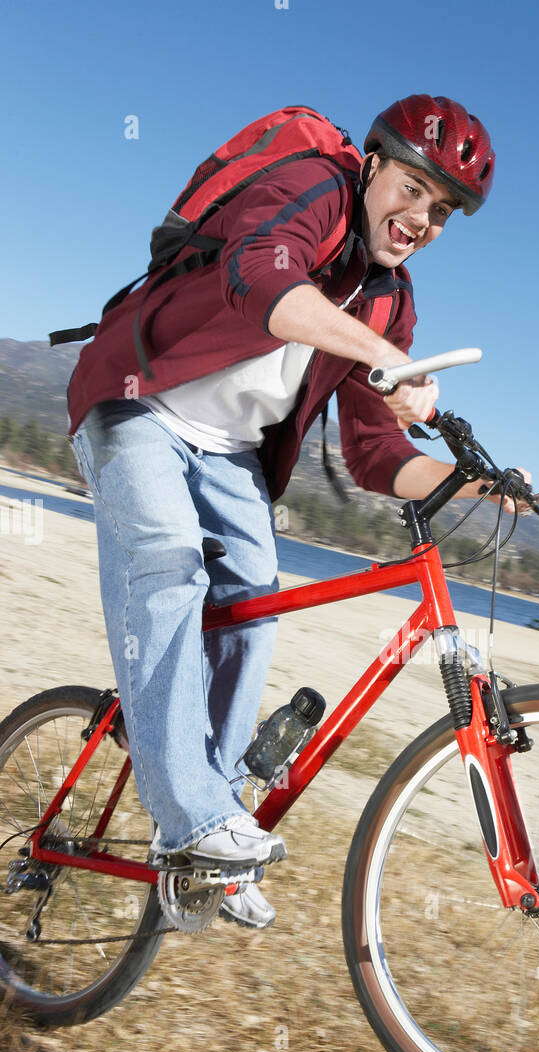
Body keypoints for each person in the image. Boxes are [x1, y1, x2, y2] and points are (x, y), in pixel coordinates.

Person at [65, 95, 506, 928]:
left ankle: (213, 834)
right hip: (137, 402)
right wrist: (383, 357)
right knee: (168, 564)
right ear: (373, 165)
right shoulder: (318, 187)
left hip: (229, 454)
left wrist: (484, 486)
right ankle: (194, 818)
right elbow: (259, 274)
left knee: (254, 610)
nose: (422, 219)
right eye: (413, 190)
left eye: (443, 212)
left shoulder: (388, 301)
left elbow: (376, 454)